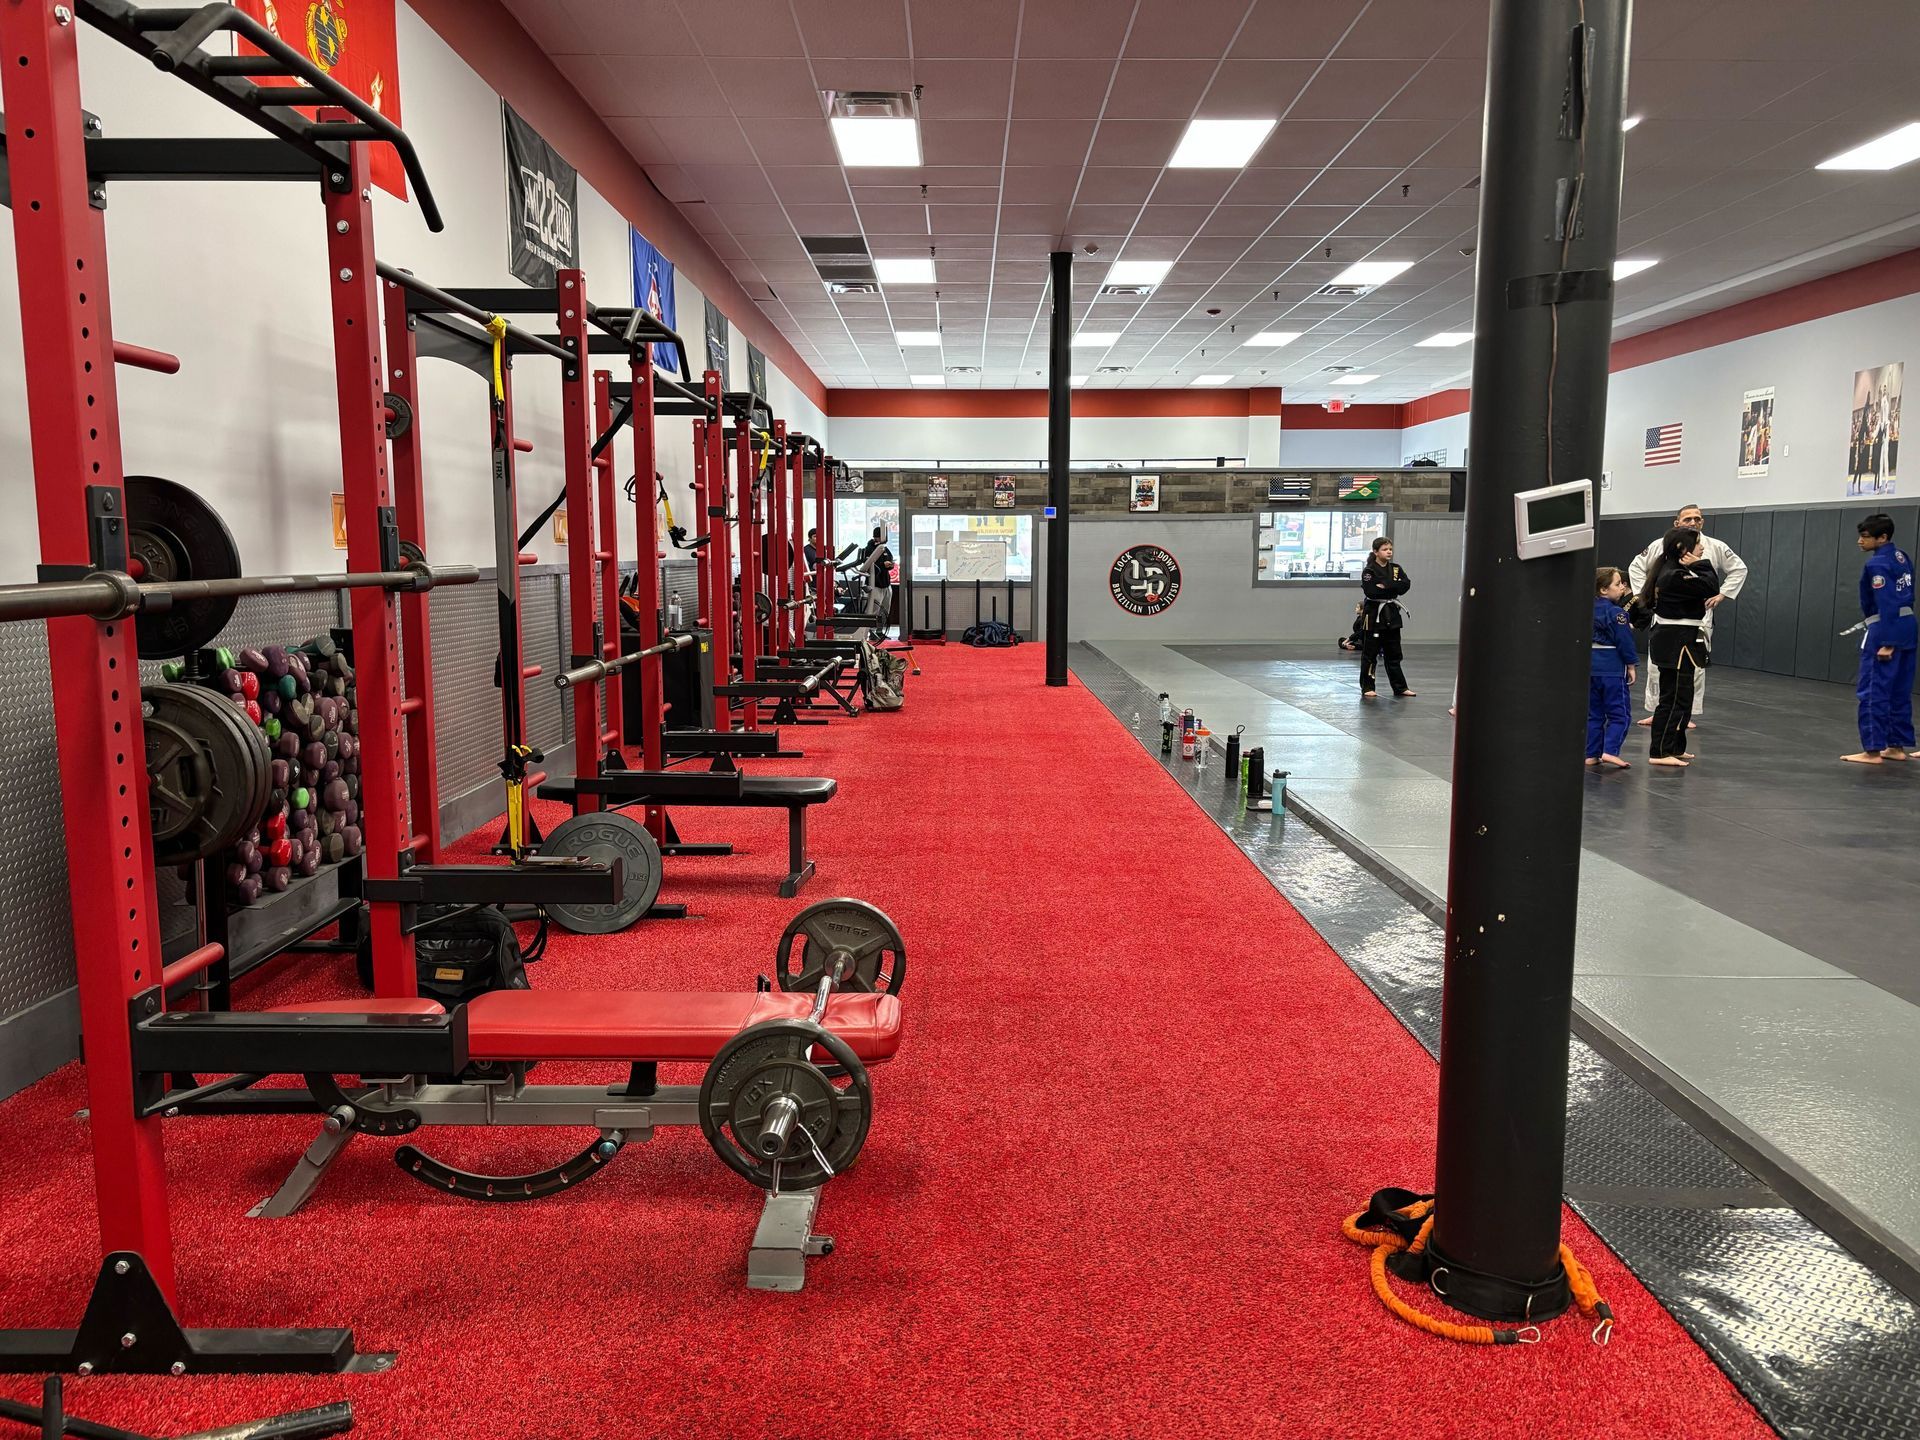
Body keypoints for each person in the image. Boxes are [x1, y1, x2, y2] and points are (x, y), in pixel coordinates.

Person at [1628, 504, 1746, 726]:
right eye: (1688, 519)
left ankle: (1687, 713)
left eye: (1698, 519)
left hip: (1698, 617)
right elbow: (1636, 567)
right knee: (1658, 666)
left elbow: (1739, 568)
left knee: (1695, 668)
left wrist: (1722, 594)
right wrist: (1646, 595)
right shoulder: (1660, 545)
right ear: (1677, 523)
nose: (1693, 522)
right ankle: (1657, 710)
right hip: (1666, 617)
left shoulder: (1714, 546)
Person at [1638, 527, 1719, 767]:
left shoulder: (1676, 571)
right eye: (1697, 544)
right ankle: (1660, 751)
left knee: (1684, 696)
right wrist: (1702, 564)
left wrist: (1697, 565)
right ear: (1683, 549)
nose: (1702, 548)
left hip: (1682, 637)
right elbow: (1711, 587)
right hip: (1675, 640)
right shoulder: (1673, 575)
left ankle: (1674, 746)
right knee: (1672, 697)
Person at [1842, 512, 1916, 764]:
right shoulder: (1901, 556)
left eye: (1865, 537)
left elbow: (1886, 601)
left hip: (1886, 627)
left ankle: (1872, 750)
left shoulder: (1877, 565)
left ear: (1882, 537)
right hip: (1907, 626)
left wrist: (1887, 641)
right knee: (1899, 690)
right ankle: (1896, 747)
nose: (1859, 542)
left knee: (1874, 690)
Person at [1587, 567, 1637, 770]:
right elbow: (1624, 641)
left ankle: (1591, 754)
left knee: (1594, 713)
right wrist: (1631, 665)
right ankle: (1610, 750)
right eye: (1617, 584)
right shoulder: (1617, 613)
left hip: (1590, 667)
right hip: (1611, 668)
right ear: (1603, 590)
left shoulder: (1585, 609)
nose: (1622, 587)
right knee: (1620, 713)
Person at [1357, 537, 1414, 699]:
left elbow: (1405, 585)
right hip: (1374, 615)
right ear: (1375, 552)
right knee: (1370, 653)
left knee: (1394, 653)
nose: (1389, 552)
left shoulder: (1396, 568)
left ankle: (1400, 687)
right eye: (1384, 549)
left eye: (1390, 549)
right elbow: (1372, 592)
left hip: (1392, 613)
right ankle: (1367, 686)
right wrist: (1392, 586)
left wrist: (1386, 585)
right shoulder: (1369, 571)